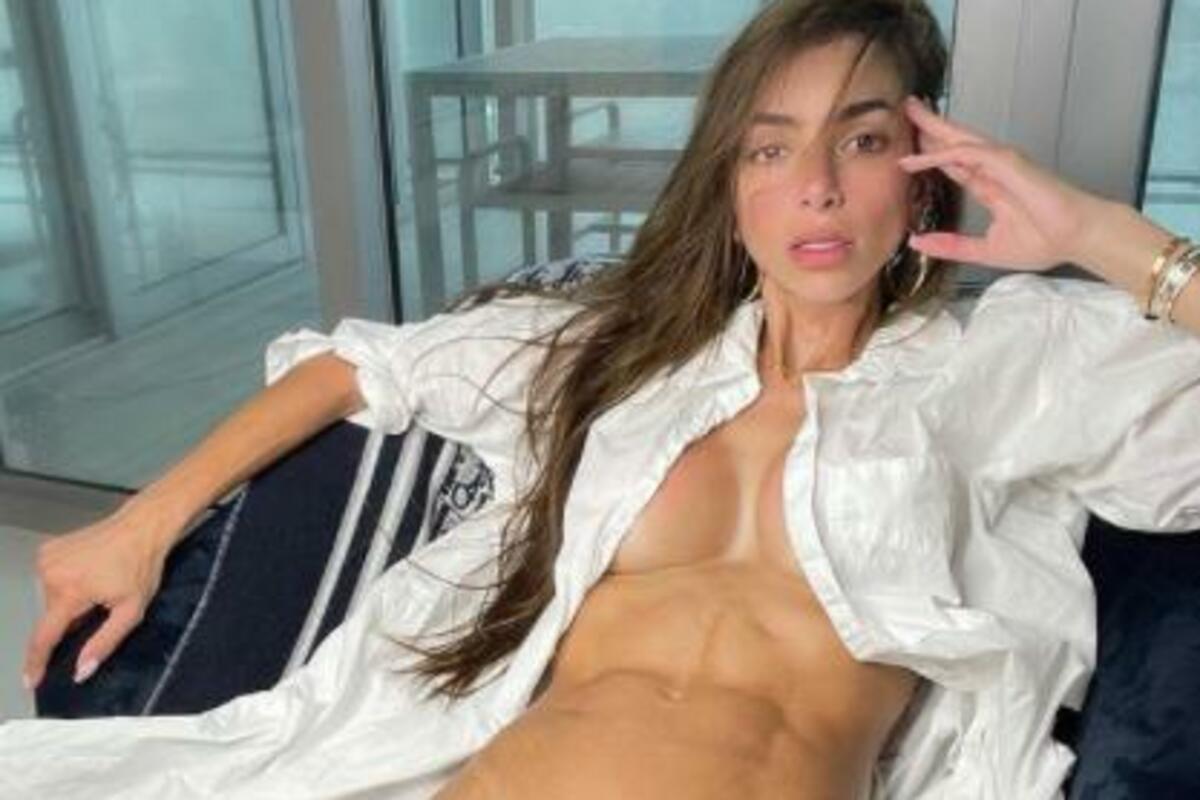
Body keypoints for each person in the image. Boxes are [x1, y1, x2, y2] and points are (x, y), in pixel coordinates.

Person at [5, 0, 1200, 797]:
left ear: (927, 171)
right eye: (771, 148)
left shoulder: (1003, 361)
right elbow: (366, 365)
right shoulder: (617, 351)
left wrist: (1099, 235)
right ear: (729, 184)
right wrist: (139, 520)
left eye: (864, 138)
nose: (818, 188)